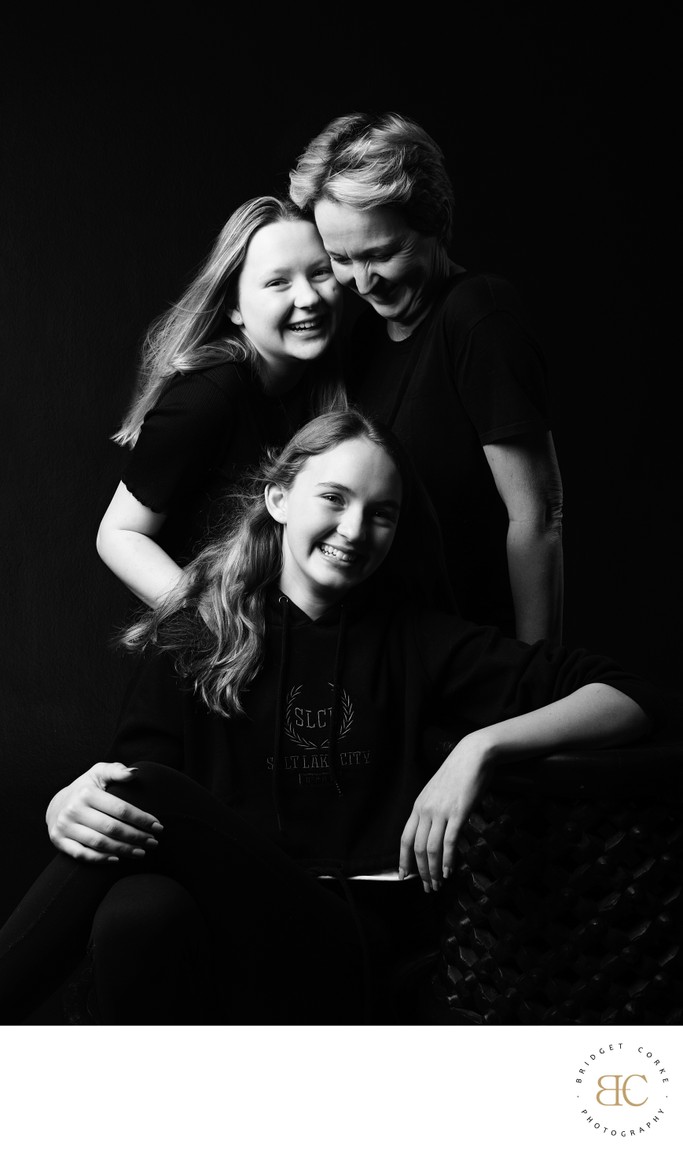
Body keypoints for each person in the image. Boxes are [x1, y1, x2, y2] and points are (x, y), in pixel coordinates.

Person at [0, 411, 658, 1025]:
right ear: (279, 498)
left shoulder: (417, 641)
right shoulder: (197, 633)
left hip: (347, 941)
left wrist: (479, 748)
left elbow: (633, 694)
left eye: (381, 514)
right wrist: (72, 803)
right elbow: (133, 800)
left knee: (135, 793)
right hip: (218, 920)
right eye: (334, 498)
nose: (353, 530)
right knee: (134, 913)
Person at [288, 112, 564, 643]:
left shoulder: (480, 317)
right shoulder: (362, 338)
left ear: (434, 222)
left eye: (383, 254)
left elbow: (540, 514)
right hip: (391, 657)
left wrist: (532, 677)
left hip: (472, 650)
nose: (362, 282)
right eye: (341, 258)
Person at [96, 194, 346, 608]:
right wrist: (213, 627)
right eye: (278, 282)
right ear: (233, 307)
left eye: (320, 273)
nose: (309, 298)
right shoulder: (208, 397)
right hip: (217, 656)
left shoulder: (320, 379)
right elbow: (119, 535)